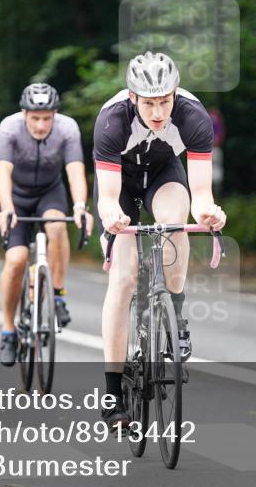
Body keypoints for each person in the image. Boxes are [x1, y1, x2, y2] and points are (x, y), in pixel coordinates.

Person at [93, 51, 227, 429]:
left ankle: (176, 314)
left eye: (164, 101)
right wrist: (112, 218)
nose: (157, 111)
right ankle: (113, 390)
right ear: (133, 97)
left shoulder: (193, 116)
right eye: (149, 103)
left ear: (175, 94)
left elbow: (201, 194)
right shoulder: (112, 120)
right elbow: (106, 197)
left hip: (164, 173)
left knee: (175, 225)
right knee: (123, 278)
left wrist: (210, 213)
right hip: (121, 183)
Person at [0, 83, 91, 367]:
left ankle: (58, 294)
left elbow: (75, 172)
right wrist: (6, 208)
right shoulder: (9, 128)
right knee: (16, 260)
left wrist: (80, 207)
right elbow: (2, 171)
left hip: (50, 192)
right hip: (18, 198)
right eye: (35, 118)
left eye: (46, 118)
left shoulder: (68, 129)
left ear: (55, 115)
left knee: (58, 225)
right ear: (24, 114)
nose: (40, 125)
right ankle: (8, 330)